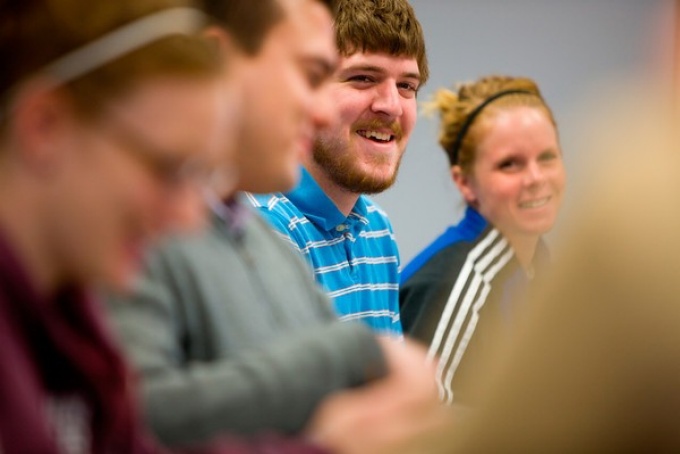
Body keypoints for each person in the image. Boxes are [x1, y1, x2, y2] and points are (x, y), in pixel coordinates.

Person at [104, 0, 441, 450]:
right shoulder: (140, 230)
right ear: (219, 61)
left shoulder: (264, 243)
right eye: (310, 75)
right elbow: (124, 417)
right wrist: (359, 354)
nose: (319, 112)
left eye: (408, 86)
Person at [0, 0, 323, 452]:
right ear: (45, 126)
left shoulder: (73, 323)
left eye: (200, 176)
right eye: (169, 171)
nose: (189, 219)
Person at [249, 0, 429, 338]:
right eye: (363, 78)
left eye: (406, 86)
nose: (391, 106)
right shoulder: (263, 232)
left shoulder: (377, 228)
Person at [399, 75, 566, 405]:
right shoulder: (453, 283)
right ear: (465, 183)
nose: (536, 178)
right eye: (510, 164)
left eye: (547, 157)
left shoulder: (538, 264)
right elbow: (424, 425)